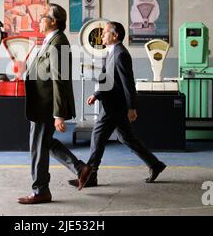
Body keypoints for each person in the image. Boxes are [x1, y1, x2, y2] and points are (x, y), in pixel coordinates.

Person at [69, 21, 167, 188]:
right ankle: (155, 164)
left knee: (98, 136)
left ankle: (90, 176)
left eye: (105, 32)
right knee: (126, 137)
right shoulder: (111, 52)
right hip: (112, 102)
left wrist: (132, 107)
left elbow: (127, 83)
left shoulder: (121, 54)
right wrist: (96, 94)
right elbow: (109, 79)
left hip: (114, 106)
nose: (102, 36)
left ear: (114, 35)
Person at [18, 3, 92, 205]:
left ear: (54, 21)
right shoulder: (51, 41)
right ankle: (79, 168)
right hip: (42, 105)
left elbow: (59, 79)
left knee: (38, 147)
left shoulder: (58, 42)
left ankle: (40, 191)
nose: (39, 19)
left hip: (46, 106)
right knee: (45, 143)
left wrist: (58, 114)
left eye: (43, 16)